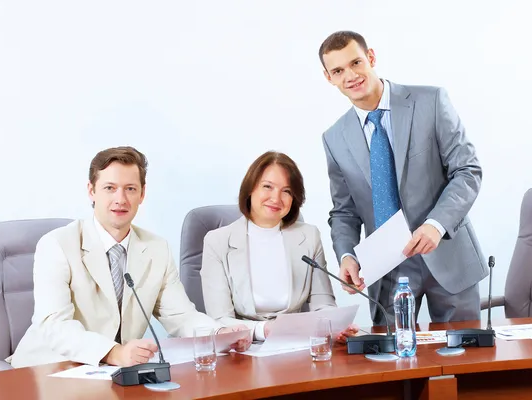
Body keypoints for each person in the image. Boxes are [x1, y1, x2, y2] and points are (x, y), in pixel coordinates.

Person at [9, 146, 251, 368]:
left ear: (142, 194)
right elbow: (54, 326)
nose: (121, 199)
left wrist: (219, 335)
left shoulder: (156, 248)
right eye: (110, 188)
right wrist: (114, 353)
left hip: (113, 374)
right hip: (48, 369)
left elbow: (180, 316)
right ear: (91, 191)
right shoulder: (57, 244)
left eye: (130, 189)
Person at [319, 31, 488, 325]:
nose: (351, 75)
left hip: (447, 254)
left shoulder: (430, 101)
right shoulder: (334, 138)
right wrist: (346, 255)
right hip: (387, 269)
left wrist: (436, 225)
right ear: (328, 78)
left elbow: (467, 170)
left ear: (371, 57)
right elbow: (344, 210)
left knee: (467, 360)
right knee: (394, 367)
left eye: (356, 62)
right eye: (338, 70)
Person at [200, 151, 357, 343]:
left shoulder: (309, 236)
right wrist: (263, 330)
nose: (276, 198)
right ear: (250, 189)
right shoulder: (217, 241)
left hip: (299, 347)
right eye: (267, 186)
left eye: (287, 191)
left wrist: (335, 326)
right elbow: (219, 320)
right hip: (241, 349)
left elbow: (323, 304)